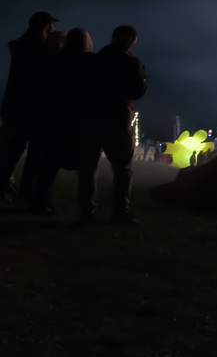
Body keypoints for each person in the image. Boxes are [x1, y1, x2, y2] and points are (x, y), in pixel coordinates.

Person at [78, 24, 147, 223]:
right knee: (122, 169)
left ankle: (87, 212)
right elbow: (137, 92)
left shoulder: (92, 60)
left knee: (88, 168)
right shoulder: (131, 63)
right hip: (117, 119)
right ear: (130, 41)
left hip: (91, 118)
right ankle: (120, 211)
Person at [27, 28, 93, 215]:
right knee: (85, 165)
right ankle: (86, 207)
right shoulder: (89, 62)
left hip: (54, 117)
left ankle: (40, 199)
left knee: (49, 163)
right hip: (78, 119)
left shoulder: (55, 61)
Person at [0, 12, 58, 200]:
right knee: (33, 152)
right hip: (34, 108)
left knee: (11, 150)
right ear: (46, 26)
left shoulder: (21, 47)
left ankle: (7, 185)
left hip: (15, 106)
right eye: (51, 25)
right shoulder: (41, 50)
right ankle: (25, 189)